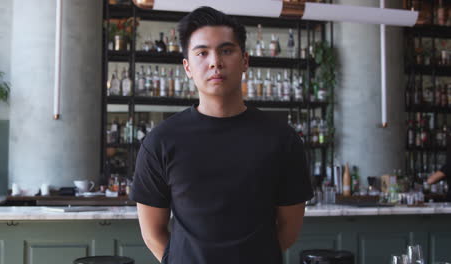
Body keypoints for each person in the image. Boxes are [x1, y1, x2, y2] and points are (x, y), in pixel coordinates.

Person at [129, 6, 313, 264]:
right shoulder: (160, 141)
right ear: (187, 67)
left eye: (226, 50)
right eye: (202, 53)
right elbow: (152, 232)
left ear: (245, 61)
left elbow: (289, 229)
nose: (215, 61)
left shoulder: (282, 139)